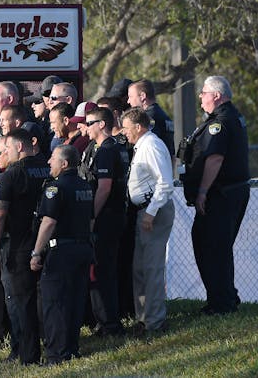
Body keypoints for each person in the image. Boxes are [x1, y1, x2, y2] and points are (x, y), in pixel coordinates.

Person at [181, 76, 249, 315]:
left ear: (216, 95)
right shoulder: (233, 116)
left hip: (220, 194)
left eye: (204, 93)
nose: (201, 97)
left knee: (213, 247)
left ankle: (222, 303)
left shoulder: (219, 123)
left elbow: (215, 158)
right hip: (231, 192)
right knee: (213, 245)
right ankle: (224, 296)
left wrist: (202, 192)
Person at [0, 128, 50, 365]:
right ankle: (51, 346)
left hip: (17, 246)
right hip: (44, 242)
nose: (3, 153)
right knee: (43, 300)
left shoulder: (11, 175)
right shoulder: (46, 167)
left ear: (19, 147)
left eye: (6, 149)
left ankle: (28, 355)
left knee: (19, 302)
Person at [31, 145, 93, 365]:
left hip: (61, 251)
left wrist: (37, 252)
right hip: (83, 248)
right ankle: (71, 347)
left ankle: (56, 354)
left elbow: (48, 222)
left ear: (64, 164)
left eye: (53, 159)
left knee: (55, 303)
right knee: (75, 301)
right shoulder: (85, 185)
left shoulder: (55, 188)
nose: (49, 162)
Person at [121, 108, 174, 334]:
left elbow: (165, 183)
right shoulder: (141, 145)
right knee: (140, 268)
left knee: (151, 268)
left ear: (138, 127)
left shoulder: (151, 145)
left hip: (154, 212)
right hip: (143, 211)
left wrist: (151, 213)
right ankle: (144, 318)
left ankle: (155, 322)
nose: (123, 132)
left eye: (126, 128)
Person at [81, 107, 129, 337]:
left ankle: (109, 324)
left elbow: (104, 187)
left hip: (106, 218)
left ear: (102, 124)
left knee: (102, 271)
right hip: (113, 216)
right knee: (102, 270)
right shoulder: (109, 148)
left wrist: (92, 217)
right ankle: (105, 321)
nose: (85, 127)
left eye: (90, 123)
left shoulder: (107, 150)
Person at [127, 79, 175, 157]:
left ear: (142, 96)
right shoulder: (163, 115)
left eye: (130, 96)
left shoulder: (147, 118)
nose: (128, 101)